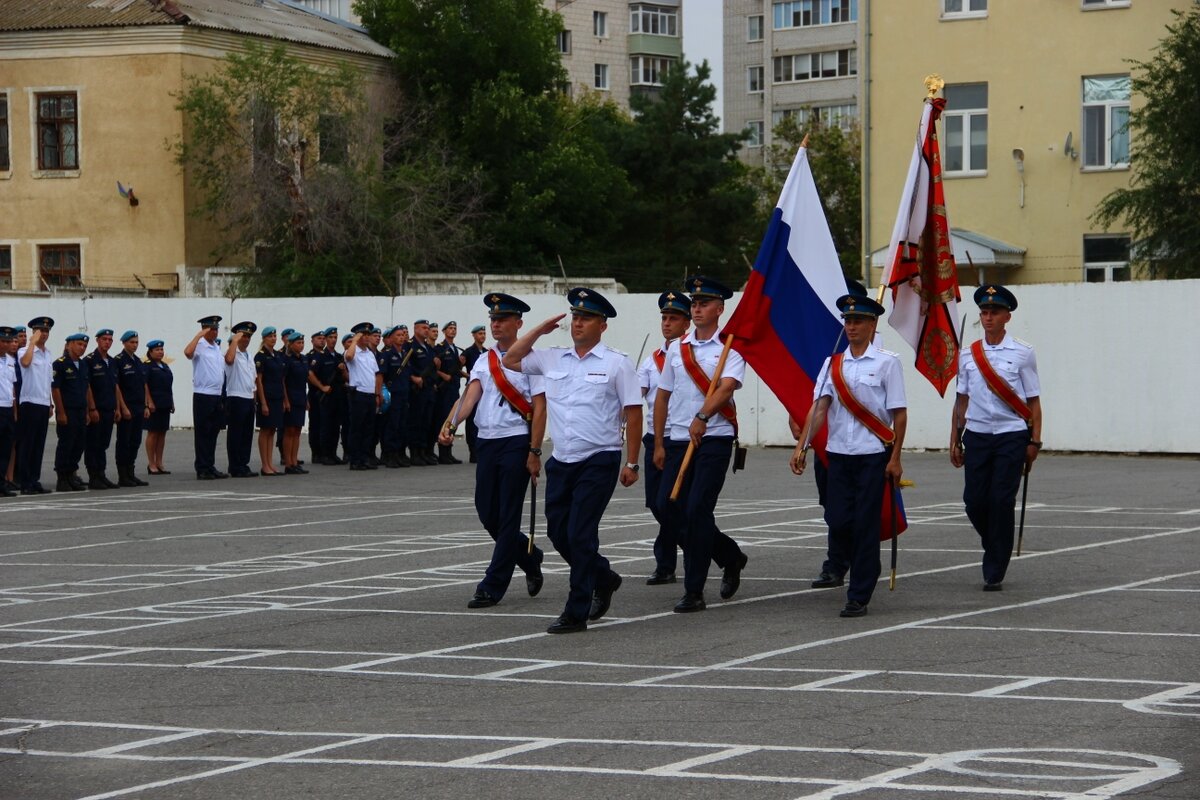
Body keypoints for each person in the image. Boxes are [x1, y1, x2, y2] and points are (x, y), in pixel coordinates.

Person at [503, 288, 642, 634]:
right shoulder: (553, 358)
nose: (578, 323)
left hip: (600, 458)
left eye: (586, 318)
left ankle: (576, 610)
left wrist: (633, 462)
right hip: (562, 460)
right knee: (558, 532)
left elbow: (634, 412)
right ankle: (603, 575)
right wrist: (538, 330)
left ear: (602, 325)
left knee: (580, 534)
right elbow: (510, 358)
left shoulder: (616, 363)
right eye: (575, 317)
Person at [791, 293, 906, 618]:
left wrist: (895, 458)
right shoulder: (832, 365)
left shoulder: (887, 362)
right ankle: (860, 568)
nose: (851, 326)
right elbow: (819, 408)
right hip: (838, 456)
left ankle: (859, 593)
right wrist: (803, 444)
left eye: (858, 321)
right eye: (848, 320)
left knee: (865, 525)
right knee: (839, 520)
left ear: (872, 324)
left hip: (872, 456)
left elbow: (899, 415)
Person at [440, 293, 546, 609]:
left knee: (509, 514)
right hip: (487, 442)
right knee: (488, 513)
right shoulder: (483, 360)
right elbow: (470, 396)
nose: (496, 325)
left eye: (502, 320)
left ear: (519, 324)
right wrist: (451, 422)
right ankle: (530, 557)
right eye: (493, 320)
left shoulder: (532, 360)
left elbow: (539, 409)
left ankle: (492, 584)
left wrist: (535, 451)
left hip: (516, 441)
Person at [652, 277, 749, 613]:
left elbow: (726, 388)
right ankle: (729, 555)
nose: (696, 308)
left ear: (720, 309)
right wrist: (659, 443)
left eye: (704, 303)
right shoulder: (678, 348)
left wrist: (703, 416)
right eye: (694, 303)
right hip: (678, 440)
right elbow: (662, 396)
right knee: (666, 508)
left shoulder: (731, 347)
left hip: (714, 438)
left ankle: (693, 590)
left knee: (697, 510)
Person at [950, 284, 1042, 591]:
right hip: (976, 434)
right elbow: (961, 400)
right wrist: (955, 438)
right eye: (984, 313)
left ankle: (994, 566)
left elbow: (1033, 401)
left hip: (1011, 435)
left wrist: (1034, 441)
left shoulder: (1022, 353)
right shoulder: (967, 355)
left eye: (995, 313)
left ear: (1007, 317)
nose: (988, 318)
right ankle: (996, 543)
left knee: (1001, 499)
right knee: (974, 502)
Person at [637, 291, 692, 585]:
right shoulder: (651, 361)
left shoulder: (690, 355)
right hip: (655, 437)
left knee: (671, 503)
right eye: (664, 318)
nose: (667, 323)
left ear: (687, 323)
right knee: (658, 504)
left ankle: (671, 559)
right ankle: (677, 556)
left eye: (674, 318)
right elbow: (637, 396)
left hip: (681, 437)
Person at [184, 315, 228, 480]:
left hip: (216, 395)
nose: (215, 332)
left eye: (216, 329)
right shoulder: (199, 345)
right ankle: (202, 468)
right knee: (203, 433)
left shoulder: (216, 347)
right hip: (203, 395)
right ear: (204, 330)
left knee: (213, 432)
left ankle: (210, 465)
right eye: (212, 329)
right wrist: (198, 336)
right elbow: (187, 353)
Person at [83, 329, 127, 490]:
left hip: (109, 408)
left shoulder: (112, 361)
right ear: (97, 341)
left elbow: (115, 386)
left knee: (103, 444)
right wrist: (91, 408)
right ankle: (93, 476)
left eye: (110, 340)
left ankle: (101, 474)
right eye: (104, 339)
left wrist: (117, 408)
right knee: (93, 444)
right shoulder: (89, 360)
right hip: (97, 409)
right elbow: (87, 386)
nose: (107, 342)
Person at [15, 317, 55, 494]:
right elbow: (25, 363)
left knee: (39, 445)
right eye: (40, 330)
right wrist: (32, 343)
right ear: (34, 332)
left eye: (46, 331)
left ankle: (34, 479)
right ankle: (25, 482)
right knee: (27, 444)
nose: (44, 334)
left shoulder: (48, 354)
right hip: (29, 403)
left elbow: (48, 381)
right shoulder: (24, 350)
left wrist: (50, 403)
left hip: (43, 403)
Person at [52, 332, 93, 492]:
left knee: (79, 444)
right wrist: (60, 412)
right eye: (78, 344)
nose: (82, 348)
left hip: (81, 410)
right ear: (68, 344)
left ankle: (71, 475)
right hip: (67, 410)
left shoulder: (83, 365)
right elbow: (56, 389)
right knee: (66, 444)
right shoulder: (60, 364)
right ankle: (62, 478)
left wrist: (88, 411)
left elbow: (86, 388)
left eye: (84, 345)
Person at [344, 322, 382, 470]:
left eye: (368, 335)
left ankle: (365, 458)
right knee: (356, 428)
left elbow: (376, 374)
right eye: (363, 335)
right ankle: (355, 459)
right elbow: (349, 357)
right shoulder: (353, 351)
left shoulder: (370, 354)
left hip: (370, 394)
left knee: (368, 429)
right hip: (358, 394)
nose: (366, 337)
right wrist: (353, 341)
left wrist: (377, 393)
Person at [114, 331, 150, 486]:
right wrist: (122, 407)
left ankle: (131, 472)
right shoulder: (119, 361)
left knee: (135, 441)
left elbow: (143, 385)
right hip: (126, 407)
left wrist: (146, 405)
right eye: (131, 342)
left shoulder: (138, 361)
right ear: (124, 343)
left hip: (138, 407)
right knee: (124, 441)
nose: (134, 345)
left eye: (136, 342)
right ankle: (123, 475)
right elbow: (116, 387)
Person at [224, 321, 258, 478]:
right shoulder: (233, 353)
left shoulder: (249, 356)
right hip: (236, 397)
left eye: (249, 336)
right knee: (236, 433)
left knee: (246, 433)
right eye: (244, 336)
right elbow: (229, 360)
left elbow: (253, 380)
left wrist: (255, 400)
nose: (247, 339)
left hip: (249, 397)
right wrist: (234, 342)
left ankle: (243, 463)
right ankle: (235, 465)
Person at [378, 325, 412, 468]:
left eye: (402, 335)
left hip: (404, 394)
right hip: (393, 395)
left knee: (402, 425)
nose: (401, 337)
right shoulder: (386, 355)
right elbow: (381, 376)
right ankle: (389, 455)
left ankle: (399, 453)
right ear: (391, 338)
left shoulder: (405, 353)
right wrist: (379, 393)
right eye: (397, 335)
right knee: (392, 425)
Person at [406, 319, 438, 467]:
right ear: (416, 328)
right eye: (423, 328)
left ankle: (423, 451)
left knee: (426, 421)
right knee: (416, 421)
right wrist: (413, 377)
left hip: (429, 389)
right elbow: (405, 366)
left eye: (427, 328)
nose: (426, 330)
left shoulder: (428, 348)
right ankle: (414, 453)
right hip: (417, 389)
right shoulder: (409, 346)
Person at [254, 327, 285, 476]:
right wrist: (263, 402)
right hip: (267, 397)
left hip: (277, 397)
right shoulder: (260, 356)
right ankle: (264, 464)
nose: (273, 338)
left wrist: (285, 399)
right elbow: (259, 381)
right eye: (270, 336)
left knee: (272, 430)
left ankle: (270, 463)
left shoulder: (278, 355)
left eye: (275, 336)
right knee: (265, 430)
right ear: (264, 338)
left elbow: (282, 379)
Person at [433, 321, 464, 464]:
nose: (453, 331)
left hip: (453, 388)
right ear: (444, 331)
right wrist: (442, 374)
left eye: (455, 328)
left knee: (453, 420)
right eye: (450, 328)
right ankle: (443, 453)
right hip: (444, 389)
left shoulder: (454, 348)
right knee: (444, 418)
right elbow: (433, 367)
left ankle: (449, 451)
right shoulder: (440, 347)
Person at [144, 340, 174, 475]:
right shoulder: (147, 366)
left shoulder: (165, 366)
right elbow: (145, 385)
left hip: (165, 403)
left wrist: (172, 402)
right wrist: (149, 402)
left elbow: (168, 386)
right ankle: (151, 463)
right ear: (150, 352)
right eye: (157, 350)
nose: (160, 352)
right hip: (154, 405)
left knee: (162, 433)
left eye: (161, 349)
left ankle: (159, 462)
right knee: (153, 432)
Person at [282, 331, 309, 474]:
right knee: (289, 430)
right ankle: (288, 463)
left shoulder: (304, 359)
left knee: (297, 430)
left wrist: (306, 399)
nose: (301, 345)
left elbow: (304, 381)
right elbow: (283, 381)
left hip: (300, 397)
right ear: (290, 344)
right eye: (298, 343)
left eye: (302, 342)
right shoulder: (287, 360)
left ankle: (294, 460)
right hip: (290, 397)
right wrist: (285, 400)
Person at [461, 324, 488, 463]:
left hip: (484, 390)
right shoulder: (468, 352)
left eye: (484, 333)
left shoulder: (486, 352)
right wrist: (469, 376)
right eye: (479, 334)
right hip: (473, 388)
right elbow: (457, 367)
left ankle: (480, 448)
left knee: (481, 417)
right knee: (471, 420)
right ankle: (473, 451)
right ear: (474, 335)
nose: (482, 336)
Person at [305, 330, 328, 464]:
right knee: (315, 424)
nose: (322, 341)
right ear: (312, 341)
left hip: (328, 395)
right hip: (316, 394)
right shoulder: (310, 356)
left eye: (323, 338)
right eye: (319, 338)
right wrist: (321, 387)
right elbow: (309, 374)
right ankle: (316, 452)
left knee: (327, 424)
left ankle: (326, 451)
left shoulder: (328, 355)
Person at [0, 327, 17, 497]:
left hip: (7, 408)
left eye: (8, 341)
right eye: (3, 341)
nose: (6, 344)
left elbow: (12, 388)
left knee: (5, 448)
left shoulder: (11, 360)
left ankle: (1, 483)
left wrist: (14, 411)